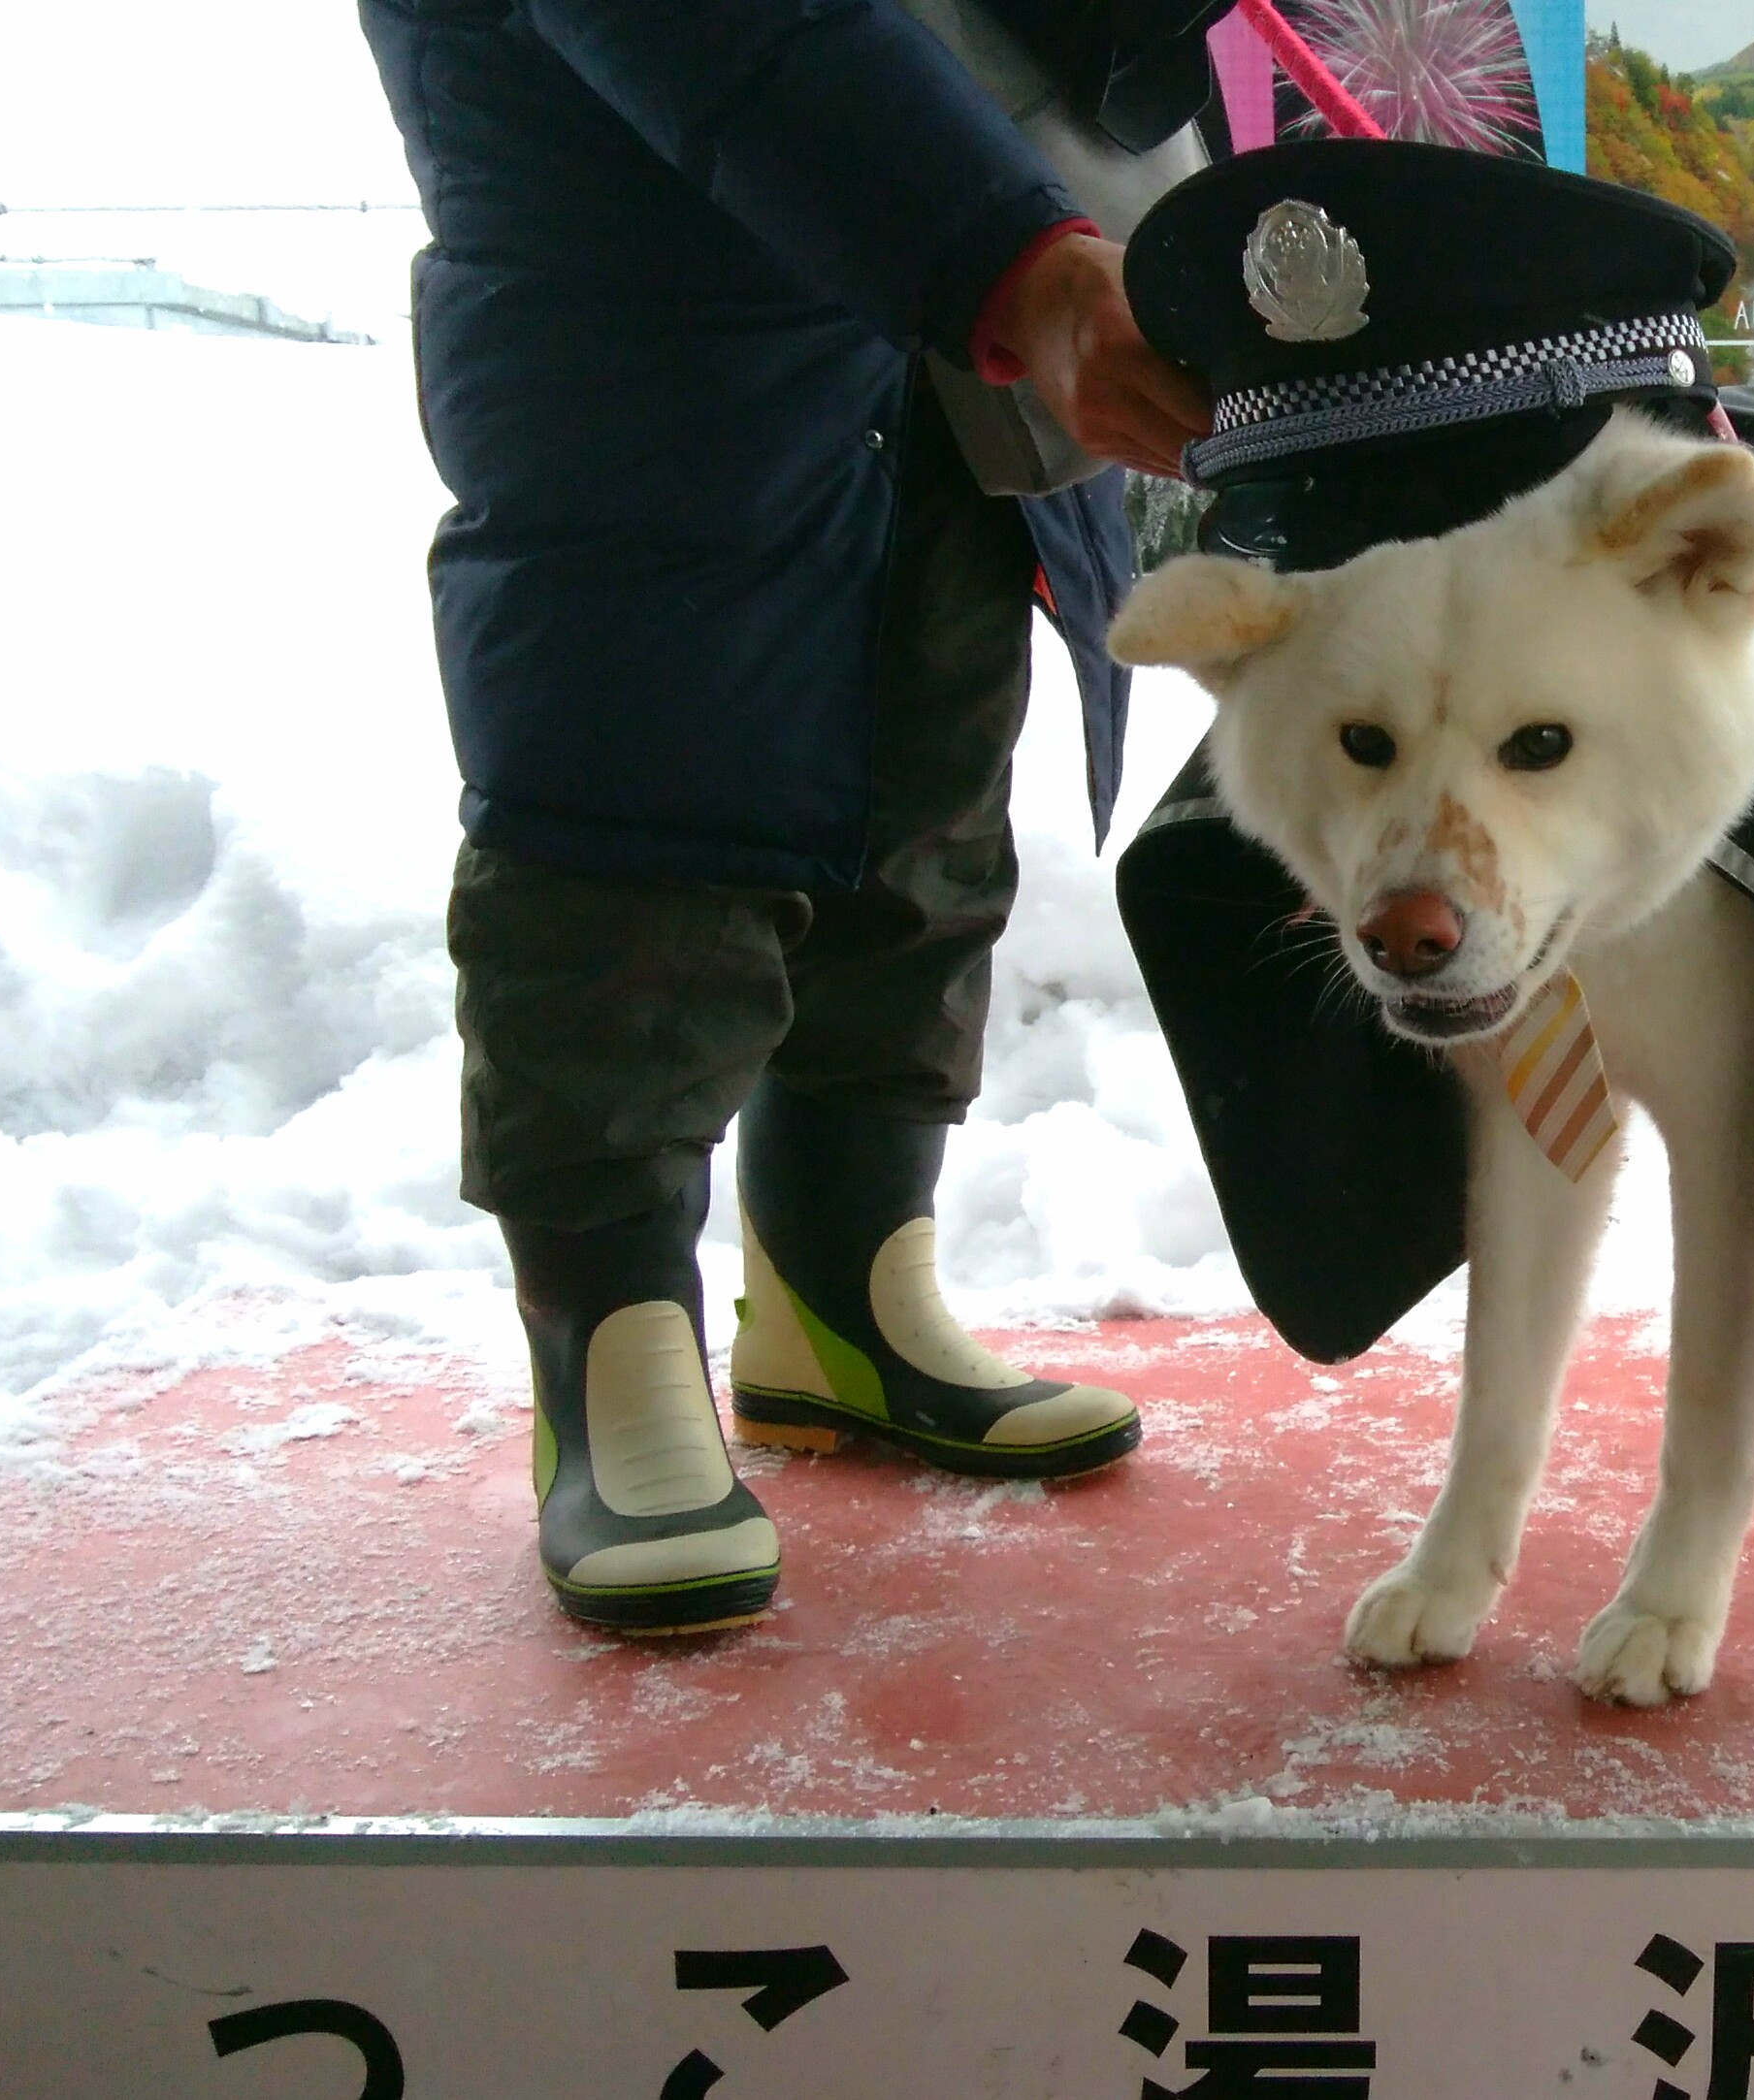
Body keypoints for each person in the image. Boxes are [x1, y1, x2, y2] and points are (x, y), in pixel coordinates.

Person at [357, 0, 1215, 1633]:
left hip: (956, 198)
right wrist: (1019, 263)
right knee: (642, 797)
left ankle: (846, 1291)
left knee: (927, 764)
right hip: (634, 241)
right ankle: (612, 1351)